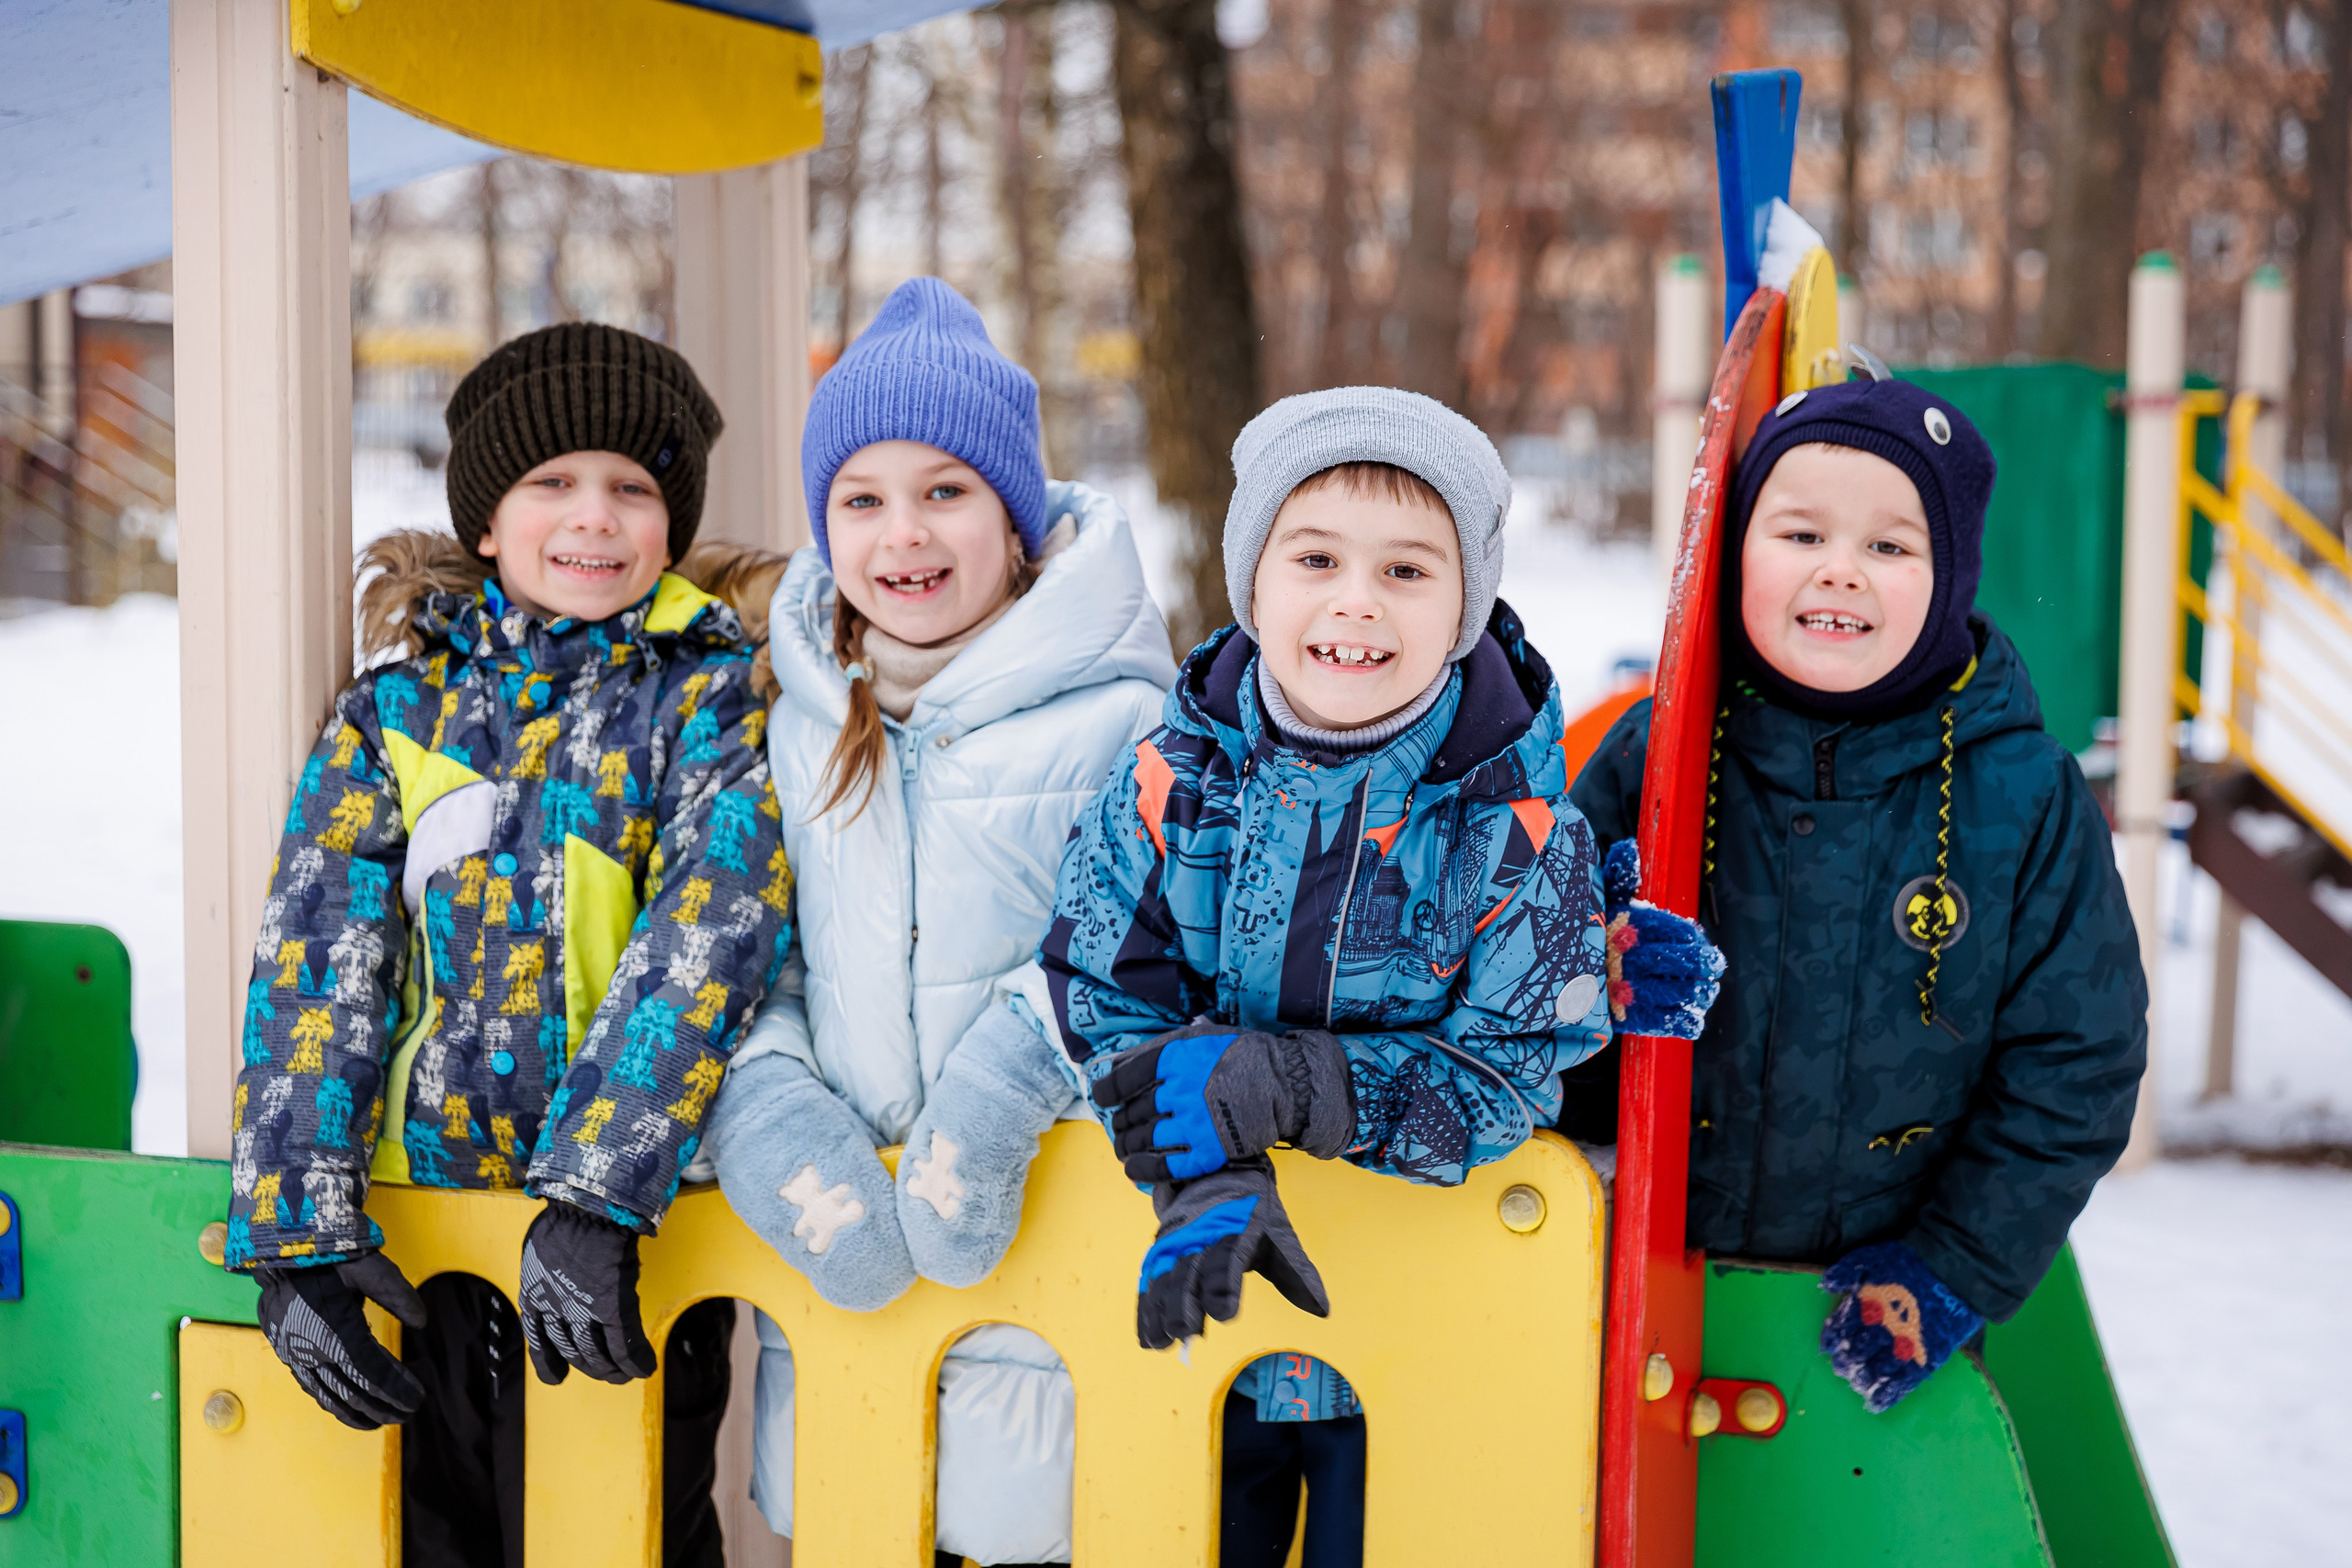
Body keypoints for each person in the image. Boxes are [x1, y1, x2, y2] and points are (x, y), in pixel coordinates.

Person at [1040, 386, 1721, 1566]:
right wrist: (1204, 1167)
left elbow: (1507, 1074)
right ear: (1254, 580)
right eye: (1315, 558)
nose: (1356, 600)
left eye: (1408, 571)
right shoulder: (1166, 788)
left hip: (1423, 1350)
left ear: (1467, 604)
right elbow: (1100, 986)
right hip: (1207, 1333)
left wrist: (1294, 1085)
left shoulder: (1519, 837)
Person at [222, 322, 790, 1567]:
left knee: (631, 1531)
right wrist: (297, 1229)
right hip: (428, 1250)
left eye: (633, 488)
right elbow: (320, 956)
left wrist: (596, 1187)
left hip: (619, 1244)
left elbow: (711, 931)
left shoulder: (710, 703)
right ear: (487, 519)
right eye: (552, 482)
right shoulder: (399, 710)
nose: (594, 515)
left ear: (670, 523)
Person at [703, 276, 1176, 1568]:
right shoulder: (795, 714)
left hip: (1061, 1327)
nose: (902, 532)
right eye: (861, 498)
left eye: (946, 490)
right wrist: (771, 1097)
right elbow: (754, 946)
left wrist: (999, 1081)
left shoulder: (1122, 717)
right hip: (853, 1326)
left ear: (1016, 518)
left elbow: (1148, 942)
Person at [1561, 374, 2147, 1414]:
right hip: (1638, 1306)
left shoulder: (2021, 795)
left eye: (1888, 547)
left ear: (1951, 575)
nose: (1840, 573)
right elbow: (1513, 976)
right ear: (1735, 552)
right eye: (1799, 535)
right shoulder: (1657, 755)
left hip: (1877, 1312)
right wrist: (1584, 975)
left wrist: (1954, 1266)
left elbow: (2076, 1058)